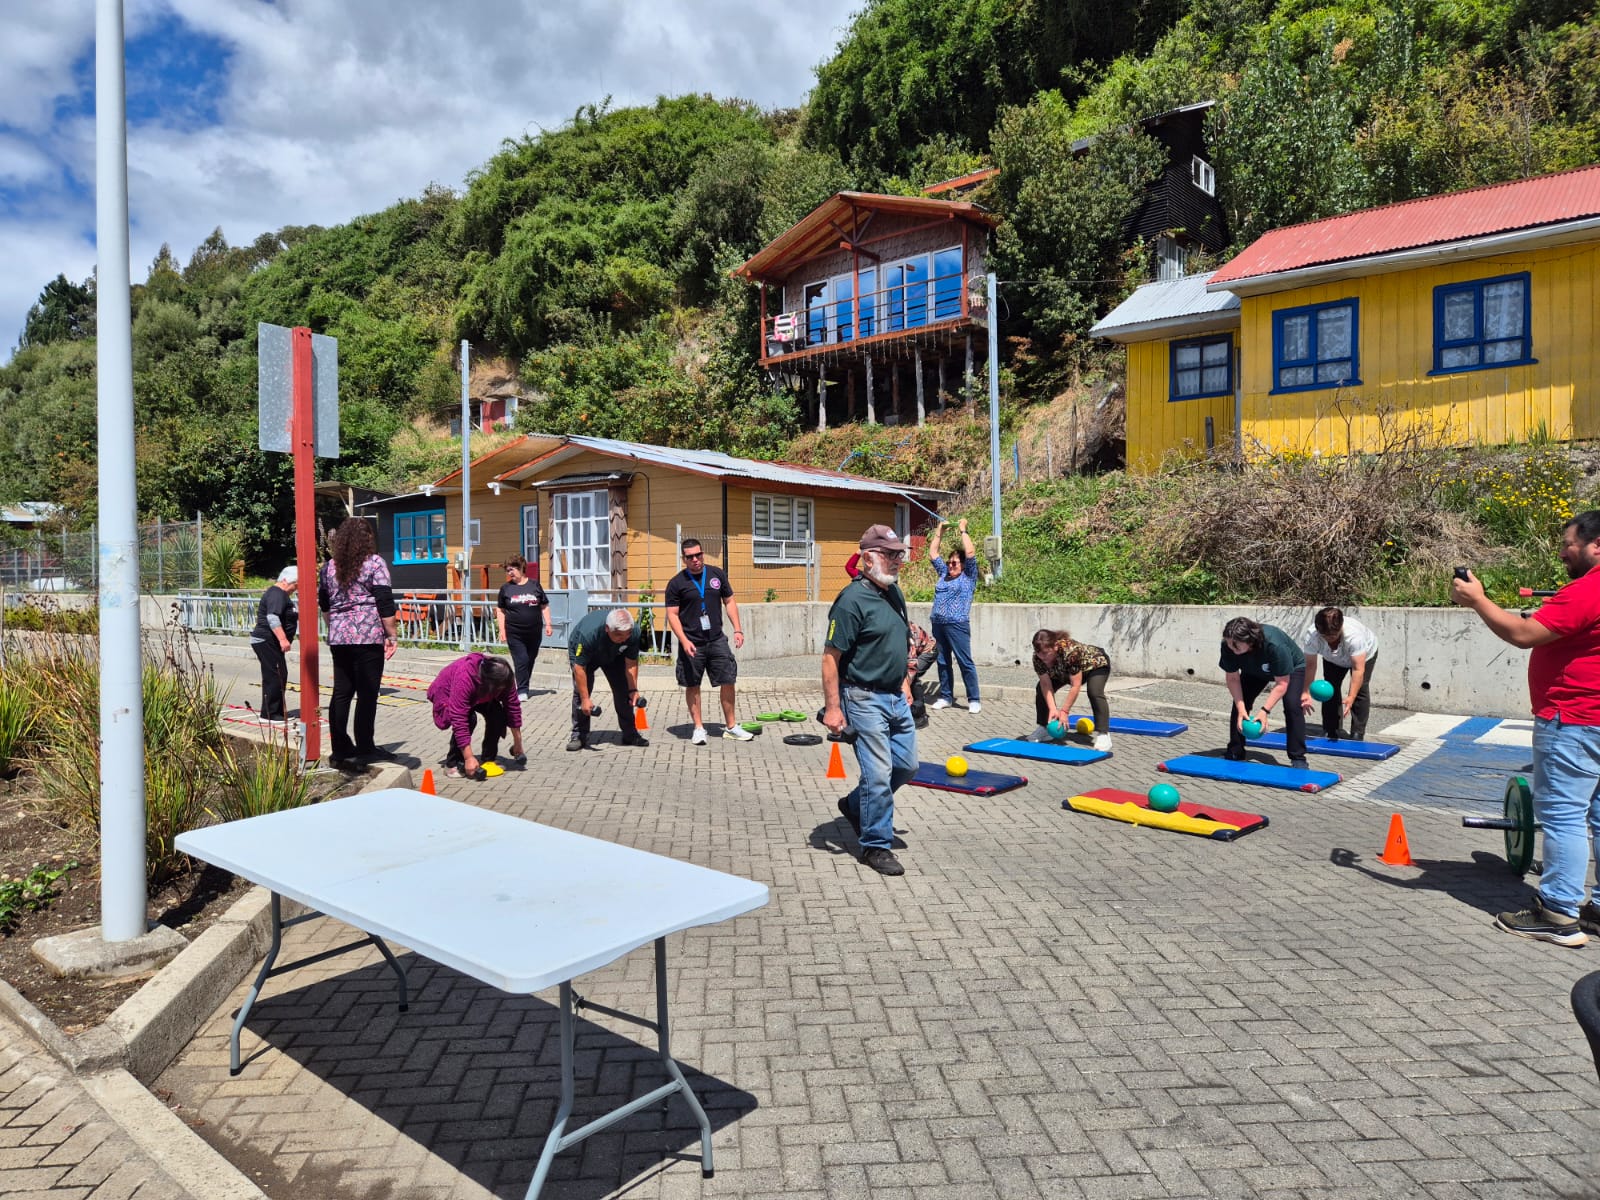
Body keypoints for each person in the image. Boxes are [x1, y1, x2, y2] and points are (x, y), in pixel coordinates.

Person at [1453, 512, 1600, 948]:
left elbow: (1521, 633)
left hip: (1573, 720)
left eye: (1568, 545)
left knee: (1564, 816)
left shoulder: (1587, 590)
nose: (1561, 552)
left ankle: (1558, 912)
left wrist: (1478, 600)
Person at [822, 524, 917, 877]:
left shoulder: (894, 593)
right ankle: (875, 845)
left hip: (895, 695)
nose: (897, 561)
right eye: (890, 554)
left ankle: (854, 805)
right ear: (867, 558)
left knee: (906, 767)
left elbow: (901, 642)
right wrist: (833, 708)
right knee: (878, 775)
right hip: (862, 698)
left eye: (899, 554)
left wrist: (906, 681)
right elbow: (830, 657)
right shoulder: (850, 601)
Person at [319, 517, 398, 767]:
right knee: (367, 694)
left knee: (341, 693)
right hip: (367, 635)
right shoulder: (375, 563)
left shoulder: (329, 567)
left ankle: (340, 749)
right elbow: (384, 601)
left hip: (339, 636)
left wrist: (335, 628)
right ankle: (365, 747)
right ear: (368, 539)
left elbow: (325, 604)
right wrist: (392, 635)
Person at [663, 539, 753, 744]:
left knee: (728, 679)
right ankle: (698, 728)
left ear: (703, 554)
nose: (695, 559)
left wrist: (738, 629)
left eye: (698, 554)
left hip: (716, 639)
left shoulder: (716, 574)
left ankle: (731, 727)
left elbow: (729, 601)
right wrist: (684, 641)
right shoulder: (677, 583)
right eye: (690, 557)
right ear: (683, 559)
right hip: (692, 642)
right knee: (693, 684)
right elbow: (672, 615)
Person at [1219, 616, 1309, 769]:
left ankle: (1298, 757)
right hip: (1253, 669)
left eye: (1236, 646)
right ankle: (1235, 750)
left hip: (1291, 668)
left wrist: (1265, 710)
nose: (1231, 648)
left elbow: (1282, 683)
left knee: (1292, 705)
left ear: (1250, 640)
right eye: (1229, 644)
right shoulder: (1229, 645)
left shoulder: (1274, 645)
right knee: (1240, 703)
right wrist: (1241, 709)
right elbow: (1233, 679)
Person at [427, 653, 525, 778]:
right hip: (450, 691)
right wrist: (468, 758)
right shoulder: (465, 677)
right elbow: (459, 719)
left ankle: (488, 758)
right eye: (499, 688)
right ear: (488, 683)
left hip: (480, 694)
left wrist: (518, 743)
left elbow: (513, 708)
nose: (502, 690)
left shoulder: (505, 676)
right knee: (469, 719)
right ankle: (453, 762)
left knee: (497, 715)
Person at [567, 607, 646, 751]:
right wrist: (585, 699)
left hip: (614, 656)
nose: (623, 639)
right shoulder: (588, 634)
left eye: (626, 635)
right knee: (581, 694)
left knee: (624, 691)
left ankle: (630, 734)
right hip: (586, 657)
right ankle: (578, 735)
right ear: (607, 629)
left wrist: (633, 689)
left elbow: (631, 662)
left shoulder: (632, 632)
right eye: (618, 635)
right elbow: (579, 668)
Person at [927, 518, 981, 713]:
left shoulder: (968, 577)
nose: (951, 565)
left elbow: (971, 553)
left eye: (955, 563)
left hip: (957, 625)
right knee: (942, 661)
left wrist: (963, 531)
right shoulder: (943, 574)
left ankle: (973, 699)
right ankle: (946, 697)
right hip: (939, 624)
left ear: (963, 565)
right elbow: (933, 554)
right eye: (949, 562)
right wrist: (939, 531)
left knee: (965, 661)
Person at [1301, 606, 1379, 741]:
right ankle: (1331, 728)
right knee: (1329, 688)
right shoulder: (1312, 636)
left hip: (1364, 656)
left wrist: (1351, 696)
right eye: (1325, 636)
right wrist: (1306, 692)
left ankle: (1357, 732)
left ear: (1341, 627)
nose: (1330, 639)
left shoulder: (1354, 636)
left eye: (1333, 636)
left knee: (1360, 690)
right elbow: (1310, 666)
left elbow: (1358, 669)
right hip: (1332, 658)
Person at [1030, 629, 1113, 752]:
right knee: (1040, 688)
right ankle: (1044, 728)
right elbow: (1046, 684)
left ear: (1055, 646)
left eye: (1046, 653)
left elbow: (1075, 685)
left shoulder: (1070, 652)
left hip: (1095, 665)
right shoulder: (1038, 658)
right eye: (1039, 653)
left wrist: (1064, 711)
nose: (1043, 658)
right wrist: (1053, 709)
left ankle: (1103, 734)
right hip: (1064, 671)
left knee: (1094, 691)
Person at [496, 556, 553, 700]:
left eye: (512, 569)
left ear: (521, 568)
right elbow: (500, 610)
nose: (510, 573)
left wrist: (548, 624)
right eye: (508, 570)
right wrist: (502, 630)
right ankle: (522, 690)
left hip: (534, 631)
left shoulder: (535, 586)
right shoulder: (506, 589)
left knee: (530, 659)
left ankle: (523, 685)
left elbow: (544, 606)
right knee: (521, 659)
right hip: (514, 632)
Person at [249, 566, 298, 723]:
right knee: (275, 674)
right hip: (266, 640)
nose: (294, 589)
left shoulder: (280, 594)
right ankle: (269, 714)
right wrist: (283, 639)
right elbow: (272, 617)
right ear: (285, 581)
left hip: (269, 641)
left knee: (277, 674)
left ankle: (273, 711)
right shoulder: (277, 593)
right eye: (294, 585)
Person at [906, 621, 937, 728]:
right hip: (918, 649)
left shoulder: (906, 632)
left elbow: (911, 662)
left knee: (913, 676)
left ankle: (920, 714)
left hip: (929, 651)